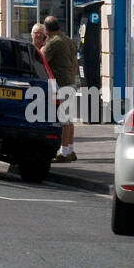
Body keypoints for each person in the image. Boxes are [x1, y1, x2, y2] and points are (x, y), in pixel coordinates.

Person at [42, 16, 78, 163]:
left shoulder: (54, 43)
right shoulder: (68, 40)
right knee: (68, 120)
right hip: (70, 82)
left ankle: (63, 152)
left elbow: (42, 60)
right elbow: (75, 63)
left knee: (63, 120)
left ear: (46, 29)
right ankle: (69, 150)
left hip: (61, 84)